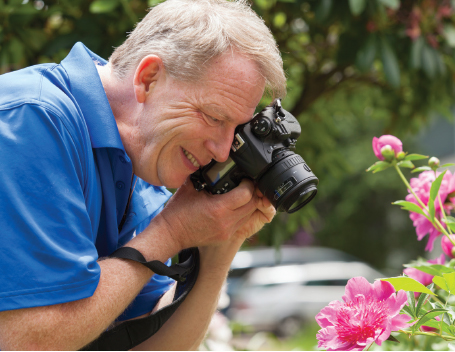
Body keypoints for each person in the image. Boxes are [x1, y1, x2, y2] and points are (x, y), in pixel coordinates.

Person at [0, 0, 286, 349]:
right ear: (148, 78)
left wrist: (219, 250)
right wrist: (169, 233)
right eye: (214, 117)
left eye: (236, 129)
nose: (224, 151)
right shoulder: (32, 121)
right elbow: (24, 341)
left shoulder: (147, 170)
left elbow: (149, 345)